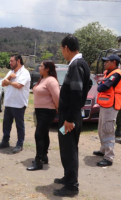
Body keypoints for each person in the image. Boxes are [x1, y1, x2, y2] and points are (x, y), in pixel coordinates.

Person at [53, 35, 90, 197]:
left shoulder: (76, 65)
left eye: (62, 49)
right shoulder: (81, 64)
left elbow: (76, 93)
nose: (62, 52)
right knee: (68, 147)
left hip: (70, 118)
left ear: (66, 47)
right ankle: (68, 177)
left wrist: (69, 119)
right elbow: (86, 86)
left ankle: (71, 186)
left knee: (69, 150)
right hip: (72, 116)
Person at [0, 55, 31, 154]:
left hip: (19, 104)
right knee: (6, 124)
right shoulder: (11, 72)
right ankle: (5, 141)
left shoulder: (25, 72)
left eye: (11, 61)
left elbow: (19, 85)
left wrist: (8, 82)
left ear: (18, 61)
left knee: (19, 125)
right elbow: (3, 83)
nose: (10, 63)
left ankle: (19, 144)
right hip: (9, 103)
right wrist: (9, 78)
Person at [27, 60, 59, 171]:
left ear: (47, 69)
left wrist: (57, 109)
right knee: (44, 134)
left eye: (41, 66)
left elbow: (57, 98)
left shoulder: (51, 81)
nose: (39, 68)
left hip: (47, 111)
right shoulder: (42, 79)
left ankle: (38, 160)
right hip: (40, 111)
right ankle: (44, 156)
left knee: (38, 135)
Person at [93, 54, 121, 167]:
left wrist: (101, 84)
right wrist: (101, 84)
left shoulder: (116, 74)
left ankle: (109, 157)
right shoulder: (108, 73)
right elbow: (101, 84)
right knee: (101, 128)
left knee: (108, 130)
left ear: (114, 63)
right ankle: (103, 150)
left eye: (107, 61)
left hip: (111, 106)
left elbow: (103, 87)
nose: (105, 63)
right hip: (105, 104)